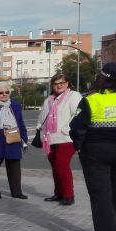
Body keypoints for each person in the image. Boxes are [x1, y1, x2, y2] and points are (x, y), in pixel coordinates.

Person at [70, 62, 116, 231]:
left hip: (96, 152)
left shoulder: (90, 100)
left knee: (101, 195)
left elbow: (76, 128)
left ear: (101, 78)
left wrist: (80, 147)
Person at [36, 73, 82, 206]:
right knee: (55, 167)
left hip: (66, 137)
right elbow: (42, 116)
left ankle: (69, 195)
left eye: (62, 82)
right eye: (56, 83)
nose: (59, 85)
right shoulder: (48, 99)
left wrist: (68, 128)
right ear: (53, 85)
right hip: (50, 138)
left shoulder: (73, 96)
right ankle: (59, 193)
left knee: (62, 164)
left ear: (67, 83)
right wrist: (40, 128)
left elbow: (77, 113)